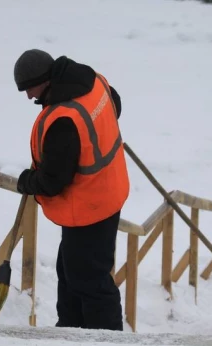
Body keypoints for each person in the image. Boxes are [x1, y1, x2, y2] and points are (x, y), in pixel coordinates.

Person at [12, 49, 129, 331]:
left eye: (30, 88)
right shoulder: (92, 81)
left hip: (89, 208)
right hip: (107, 193)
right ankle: (69, 330)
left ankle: (106, 339)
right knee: (70, 271)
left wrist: (26, 181)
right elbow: (116, 105)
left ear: (45, 80)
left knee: (91, 282)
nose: (29, 96)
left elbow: (52, 182)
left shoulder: (63, 120)